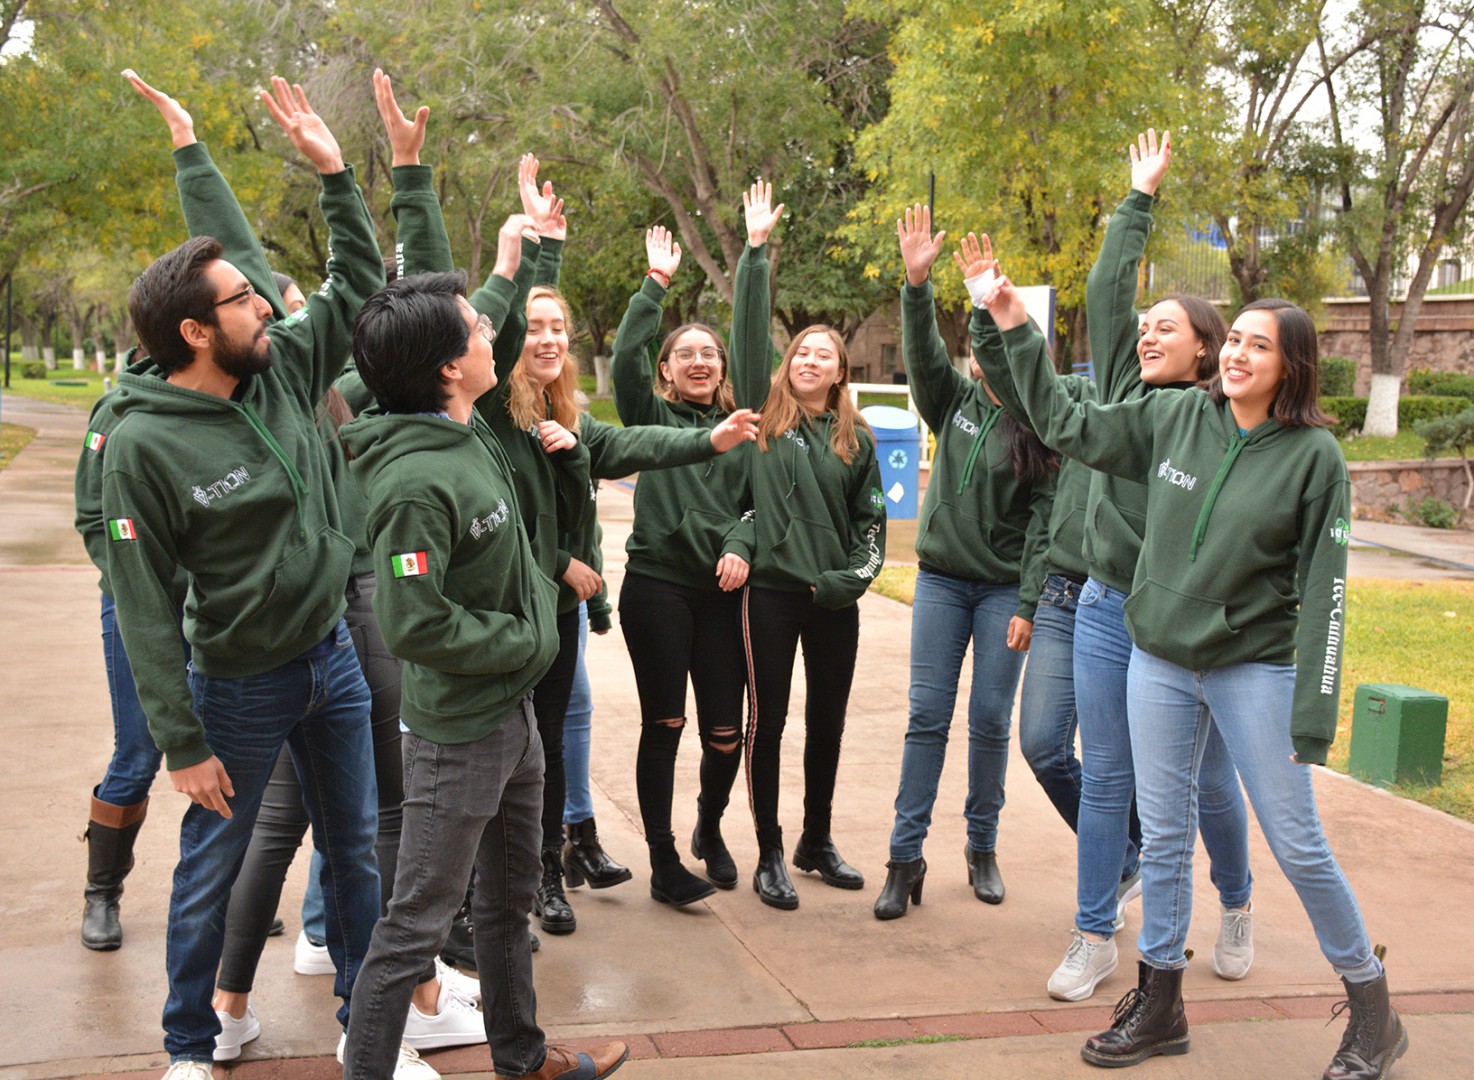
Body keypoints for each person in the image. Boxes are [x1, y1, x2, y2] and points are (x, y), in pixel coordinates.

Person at [102, 75, 385, 1080]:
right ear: (192, 331)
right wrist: (179, 740)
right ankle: (191, 1045)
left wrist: (336, 175)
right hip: (237, 686)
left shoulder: (286, 368)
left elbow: (355, 283)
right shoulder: (141, 445)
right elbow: (140, 608)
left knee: (355, 852)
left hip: (332, 661)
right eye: (240, 299)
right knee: (213, 869)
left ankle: (371, 1028)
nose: (263, 305)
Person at [204, 70, 480, 1070]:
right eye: (253, 297)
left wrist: (383, 173)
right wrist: (386, 175)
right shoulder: (310, 396)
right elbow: (427, 306)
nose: (273, 306)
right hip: (347, 609)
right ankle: (384, 1005)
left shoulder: (325, 388)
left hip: (328, 617)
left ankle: (256, 1002)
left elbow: (424, 305)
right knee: (362, 817)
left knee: (301, 822)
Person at [965, 130, 1256, 1003]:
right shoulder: (1118, 402)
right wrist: (1137, 201)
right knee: (1103, 777)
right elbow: (1096, 301)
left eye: (1167, 328)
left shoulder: (1207, 425)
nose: (1146, 334)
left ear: (1205, 350)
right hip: (1096, 606)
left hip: (1178, 621)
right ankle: (1094, 931)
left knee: (1206, 782)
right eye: (1143, 326)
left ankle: (1236, 902)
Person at [340, 268, 627, 1080]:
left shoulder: (465, 431)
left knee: (508, 903)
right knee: (413, 928)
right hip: (458, 736)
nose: (490, 333)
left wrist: (530, 623)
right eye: (475, 328)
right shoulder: (410, 481)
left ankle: (523, 1058)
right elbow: (414, 621)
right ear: (443, 367)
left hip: (514, 721)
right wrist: (520, 640)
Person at [874, 206, 1055, 919]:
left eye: (1000, 342)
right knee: (926, 716)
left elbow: (1044, 523)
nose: (984, 353)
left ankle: (982, 846)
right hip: (944, 582)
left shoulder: (1042, 425)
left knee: (988, 717)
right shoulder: (949, 401)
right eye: (978, 342)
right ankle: (903, 856)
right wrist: (916, 286)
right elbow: (921, 354)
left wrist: (1030, 602)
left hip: (1003, 591)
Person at [608, 186, 778, 905]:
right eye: (687, 354)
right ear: (669, 370)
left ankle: (709, 825)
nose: (702, 360)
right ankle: (663, 857)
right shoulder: (653, 417)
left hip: (724, 593)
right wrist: (655, 287)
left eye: (710, 352)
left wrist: (742, 538)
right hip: (656, 588)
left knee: (723, 734)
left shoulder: (745, 424)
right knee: (665, 724)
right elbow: (623, 357)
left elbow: (761, 503)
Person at [744, 320, 887, 910]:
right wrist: (753, 253)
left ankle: (816, 840)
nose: (808, 360)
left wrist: (842, 583)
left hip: (831, 600)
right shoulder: (764, 421)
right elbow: (747, 336)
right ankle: (769, 851)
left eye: (822, 354)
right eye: (800, 351)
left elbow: (870, 529)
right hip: (770, 596)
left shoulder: (857, 438)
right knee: (768, 724)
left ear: (840, 371)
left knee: (827, 725)